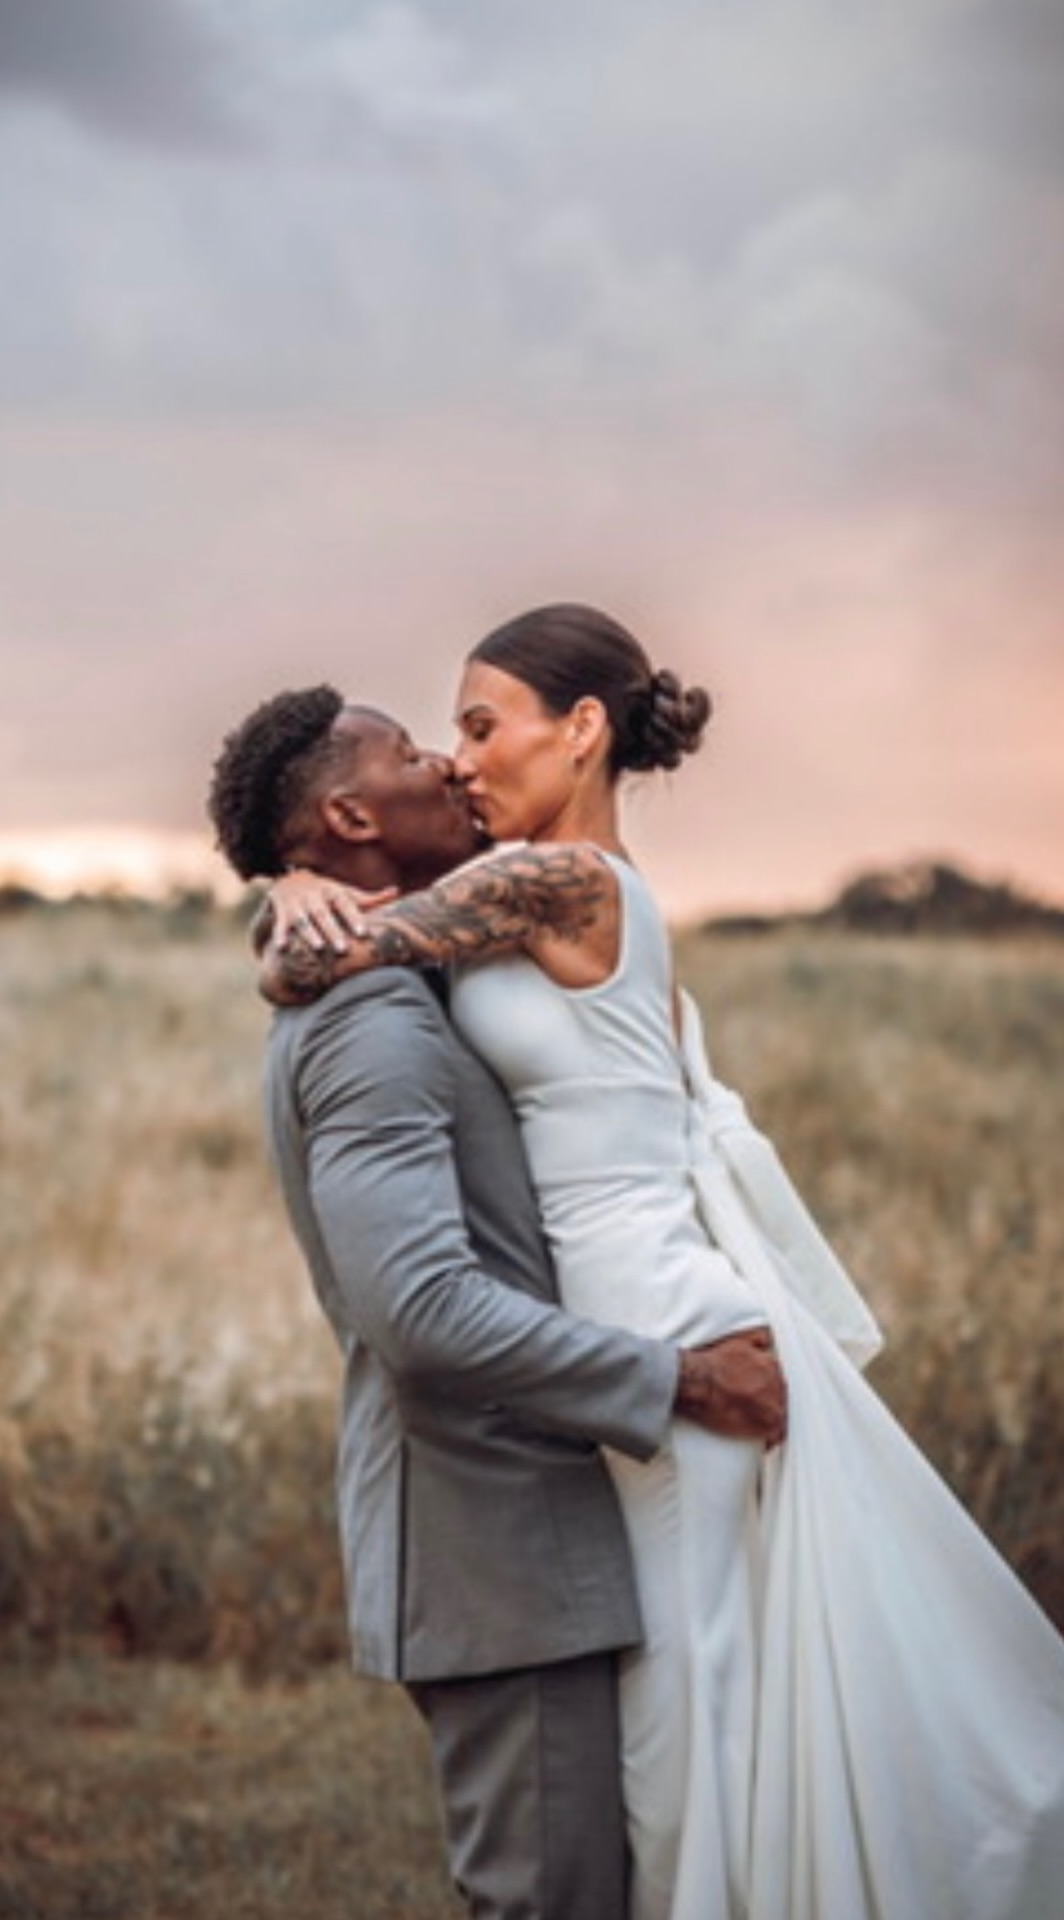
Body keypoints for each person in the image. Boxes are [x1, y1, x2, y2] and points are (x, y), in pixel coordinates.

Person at [259, 604, 1064, 1920]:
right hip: (617, 1309)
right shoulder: (518, 895)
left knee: (690, 1723)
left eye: (477, 726)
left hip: (652, 1310)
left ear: (581, 734)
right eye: (445, 737)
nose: (457, 761)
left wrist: (294, 894)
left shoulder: (571, 885)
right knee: (692, 1712)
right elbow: (354, 946)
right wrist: (290, 889)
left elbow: (333, 954)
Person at [206, 686, 787, 1920]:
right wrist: (679, 1380)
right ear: (355, 811)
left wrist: (284, 906)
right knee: (551, 1900)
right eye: (418, 753)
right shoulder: (371, 1025)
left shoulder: (393, 972)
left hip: (522, 1522)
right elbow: (418, 1309)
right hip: (494, 1534)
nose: (450, 770)